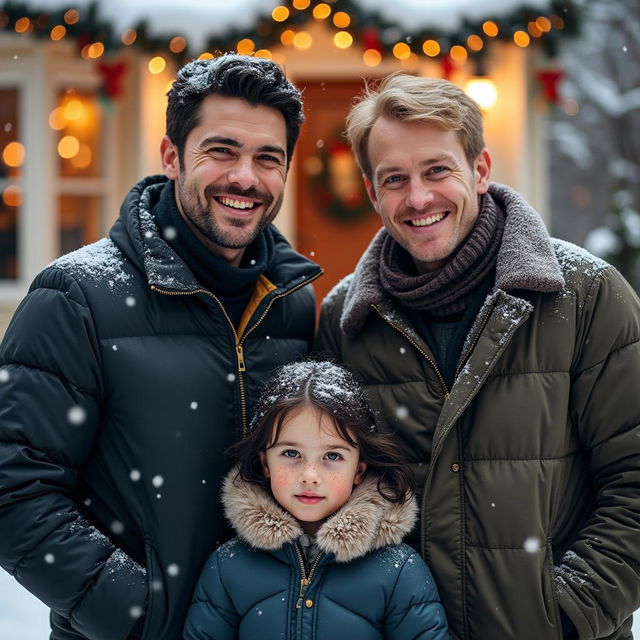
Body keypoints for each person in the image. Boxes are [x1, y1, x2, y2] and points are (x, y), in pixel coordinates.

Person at [0, 54, 321, 640]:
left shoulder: (292, 302)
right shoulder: (77, 297)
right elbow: (14, 486)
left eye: (267, 159)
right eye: (221, 151)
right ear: (172, 156)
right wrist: (138, 613)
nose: (245, 178)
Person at [314, 73, 640, 640]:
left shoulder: (585, 296)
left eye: (437, 170)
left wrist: (565, 613)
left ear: (480, 169)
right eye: (395, 179)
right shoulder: (347, 320)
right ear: (373, 193)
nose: (418, 198)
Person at [183, 360, 450, 640]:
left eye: (332, 456)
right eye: (291, 454)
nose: (310, 475)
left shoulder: (398, 571)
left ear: (358, 470)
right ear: (264, 464)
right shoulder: (228, 566)